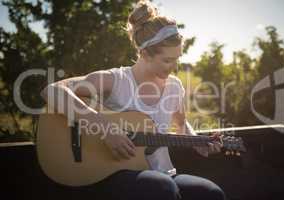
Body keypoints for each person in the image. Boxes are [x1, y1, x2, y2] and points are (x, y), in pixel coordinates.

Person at [40, 1, 226, 200]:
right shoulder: (116, 80)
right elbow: (52, 91)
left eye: (177, 58)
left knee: (211, 194)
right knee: (162, 190)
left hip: (164, 174)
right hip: (114, 174)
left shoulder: (174, 86)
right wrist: (105, 128)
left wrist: (198, 142)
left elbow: (180, 124)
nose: (175, 67)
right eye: (167, 60)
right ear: (145, 54)